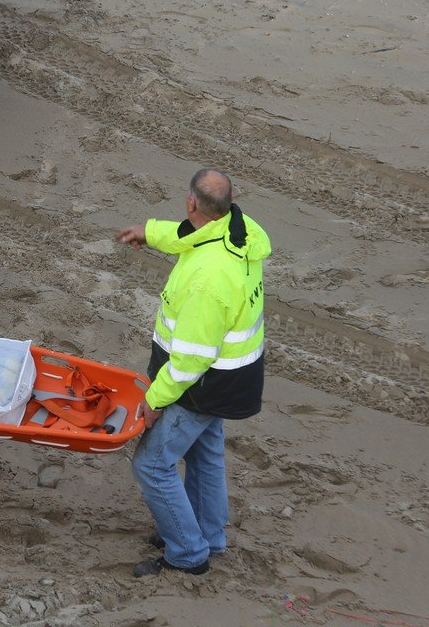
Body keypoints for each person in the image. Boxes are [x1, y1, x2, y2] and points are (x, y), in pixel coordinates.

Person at [116, 169, 271, 577]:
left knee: (151, 464)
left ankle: (187, 552)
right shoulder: (240, 229)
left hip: (203, 385)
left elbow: (189, 361)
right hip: (233, 378)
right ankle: (208, 535)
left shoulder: (207, 281)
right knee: (205, 452)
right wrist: (149, 233)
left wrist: (153, 400)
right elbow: (191, 236)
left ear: (191, 203)